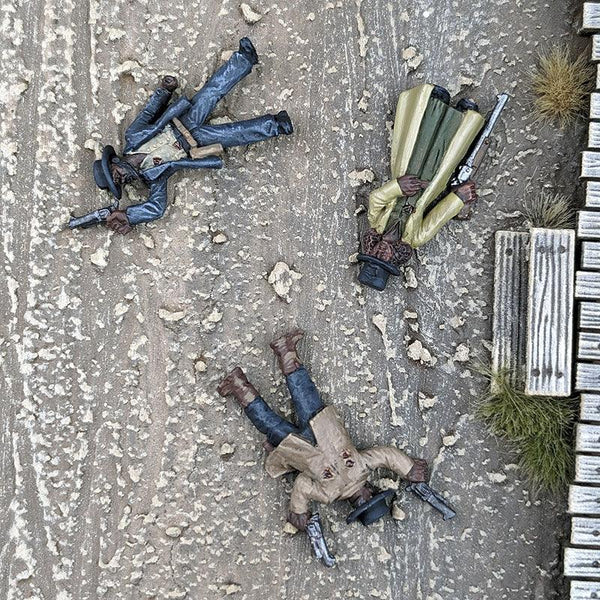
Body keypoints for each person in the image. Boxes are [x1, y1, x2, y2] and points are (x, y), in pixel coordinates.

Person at [217, 330, 428, 535]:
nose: (364, 496)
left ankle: (281, 352)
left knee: (299, 394)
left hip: (317, 428)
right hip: (300, 445)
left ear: (372, 491)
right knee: (270, 419)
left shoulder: (359, 470)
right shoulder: (332, 491)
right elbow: (302, 485)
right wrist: (298, 510)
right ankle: (238, 383)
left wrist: (408, 469)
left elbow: (385, 455)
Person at [91, 38, 293, 234]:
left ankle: (244, 59)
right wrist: (130, 216)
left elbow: (149, 113)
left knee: (211, 92)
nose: (122, 178)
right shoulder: (153, 176)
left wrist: (164, 90)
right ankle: (276, 125)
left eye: (116, 174)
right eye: (119, 182)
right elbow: (156, 208)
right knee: (235, 134)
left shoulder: (133, 136)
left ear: (115, 161)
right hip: (196, 144)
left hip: (184, 120)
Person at [358, 83, 483, 291]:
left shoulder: (376, 222)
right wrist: (458, 198)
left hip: (408, 171)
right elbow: (437, 218)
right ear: (393, 259)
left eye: (374, 255)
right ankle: (462, 116)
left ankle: (434, 104)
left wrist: (398, 187)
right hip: (431, 183)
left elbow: (376, 198)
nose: (380, 252)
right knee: (444, 151)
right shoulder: (414, 238)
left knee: (421, 140)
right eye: (383, 258)